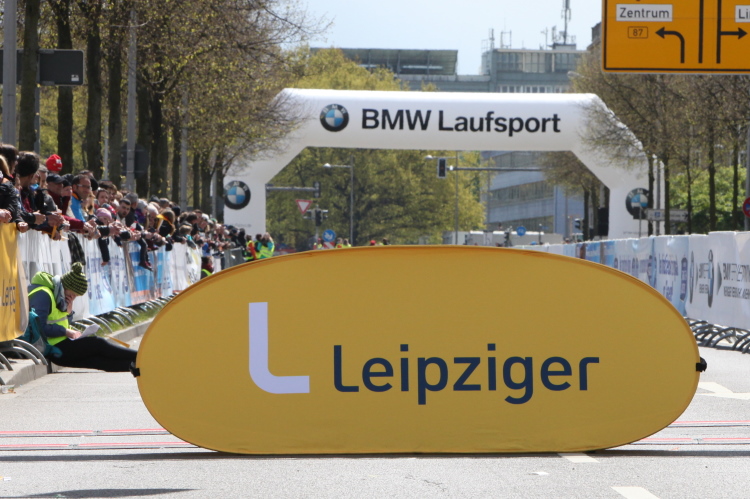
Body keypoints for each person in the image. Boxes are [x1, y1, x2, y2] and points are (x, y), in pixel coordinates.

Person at [27, 262, 137, 372]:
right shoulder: (43, 295)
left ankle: (139, 368)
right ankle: (140, 356)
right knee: (98, 344)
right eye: (73, 294)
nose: (73, 297)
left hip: (60, 346)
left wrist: (69, 313)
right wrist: (66, 332)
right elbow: (39, 328)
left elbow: (58, 321)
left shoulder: (57, 294)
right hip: (54, 348)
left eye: (76, 296)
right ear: (66, 286)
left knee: (99, 361)